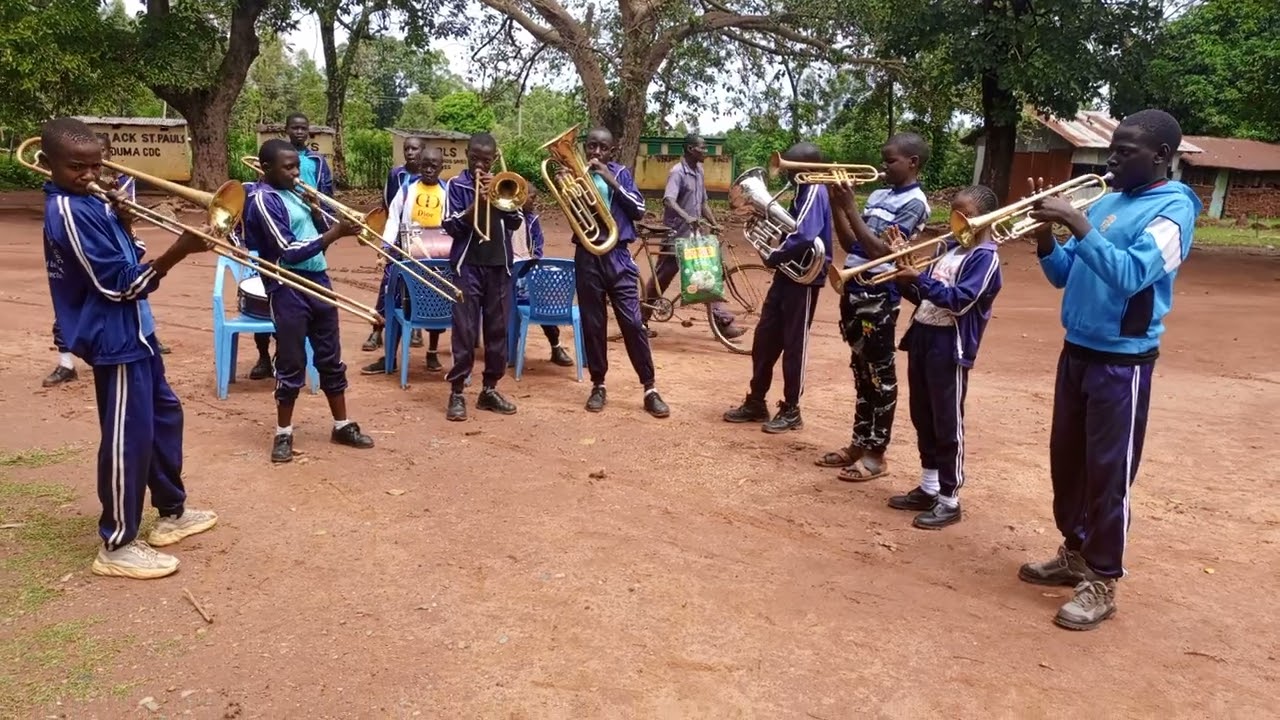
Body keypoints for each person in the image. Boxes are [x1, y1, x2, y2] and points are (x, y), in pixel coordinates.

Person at [1019, 108, 1200, 631]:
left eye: (1126, 152)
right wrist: (1046, 234)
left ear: (1162, 156)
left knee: (1109, 474)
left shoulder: (1174, 208)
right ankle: (1074, 551)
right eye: (1112, 149)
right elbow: (1063, 275)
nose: (1112, 159)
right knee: (1067, 463)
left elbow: (1130, 275)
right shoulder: (1104, 202)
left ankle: (1102, 578)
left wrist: (1074, 219)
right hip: (1076, 350)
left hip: (1123, 361)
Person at [41, 117, 218, 579]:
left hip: (137, 331)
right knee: (128, 439)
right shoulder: (69, 212)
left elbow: (126, 255)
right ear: (47, 165)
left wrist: (124, 220)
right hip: (113, 336)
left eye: (96, 166)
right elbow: (117, 286)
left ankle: (171, 512)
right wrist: (177, 252)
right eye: (77, 167)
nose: (90, 176)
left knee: (163, 418)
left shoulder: (91, 201)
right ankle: (116, 544)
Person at [241, 139, 376, 463]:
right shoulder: (262, 199)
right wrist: (334, 233)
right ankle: (283, 433)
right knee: (291, 362)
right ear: (266, 168)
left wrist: (319, 213)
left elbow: (319, 239)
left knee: (330, 356)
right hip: (287, 285)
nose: (295, 173)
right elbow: (287, 250)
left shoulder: (295, 193)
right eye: (287, 167)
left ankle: (341, 424)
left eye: (296, 167)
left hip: (318, 279)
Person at [882, 185, 1002, 530]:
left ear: (984, 219)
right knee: (923, 414)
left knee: (947, 421)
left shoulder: (985, 257)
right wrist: (902, 265)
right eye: (954, 212)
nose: (956, 221)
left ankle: (950, 499)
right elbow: (922, 296)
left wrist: (918, 276)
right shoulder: (947, 248)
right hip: (922, 335)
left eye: (964, 215)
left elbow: (961, 301)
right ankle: (929, 485)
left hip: (950, 344)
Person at [820, 132, 932, 483]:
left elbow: (883, 252)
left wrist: (851, 206)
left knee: (880, 376)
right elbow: (851, 242)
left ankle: (876, 453)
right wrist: (838, 206)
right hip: (853, 288)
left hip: (879, 294)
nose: (883, 167)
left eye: (890, 160)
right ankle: (858, 442)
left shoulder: (916, 202)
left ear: (912, 163)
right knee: (860, 371)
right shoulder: (880, 194)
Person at [559, 127, 669, 416]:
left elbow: (639, 210)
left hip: (618, 255)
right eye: (591, 146)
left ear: (611, 151)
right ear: (585, 148)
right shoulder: (575, 176)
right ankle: (598, 384)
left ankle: (650, 387)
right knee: (593, 324)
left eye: (602, 148)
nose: (596, 152)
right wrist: (564, 188)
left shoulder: (621, 174)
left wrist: (610, 180)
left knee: (633, 323)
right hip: (587, 254)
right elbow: (573, 216)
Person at [722, 142, 831, 432]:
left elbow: (806, 235)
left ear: (806, 169)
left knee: (794, 345)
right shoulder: (802, 192)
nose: (785, 174)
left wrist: (775, 255)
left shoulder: (815, 190)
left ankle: (792, 408)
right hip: (787, 277)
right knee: (765, 339)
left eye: (790, 169)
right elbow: (794, 230)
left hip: (803, 280)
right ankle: (756, 400)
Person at [440, 133, 522, 421]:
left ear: (494, 158)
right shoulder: (456, 184)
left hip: (499, 267)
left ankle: (490, 389)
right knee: (464, 330)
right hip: (468, 267)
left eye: (486, 161)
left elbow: (516, 221)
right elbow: (450, 226)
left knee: (497, 331)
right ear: (467, 154)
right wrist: (476, 206)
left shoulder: (503, 182)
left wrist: (498, 199)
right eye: (475, 158)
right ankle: (458, 392)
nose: (480, 165)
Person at [361, 144, 454, 374]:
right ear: (419, 167)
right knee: (394, 301)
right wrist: (385, 249)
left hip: (437, 258)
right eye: (425, 165)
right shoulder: (406, 189)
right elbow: (393, 219)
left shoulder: (447, 193)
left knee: (436, 302)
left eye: (434, 166)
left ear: (442, 168)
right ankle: (389, 357)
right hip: (404, 255)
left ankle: (432, 354)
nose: (429, 170)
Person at [643, 134, 743, 340]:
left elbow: (704, 203)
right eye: (702, 148)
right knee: (661, 279)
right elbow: (669, 200)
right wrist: (687, 216)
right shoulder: (677, 172)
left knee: (706, 276)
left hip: (695, 238)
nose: (705, 152)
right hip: (675, 236)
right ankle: (639, 320)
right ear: (690, 149)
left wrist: (714, 223)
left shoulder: (699, 171)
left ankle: (722, 323)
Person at [364, 135, 427, 353]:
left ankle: (417, 326)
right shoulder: (396, 174)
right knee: (388, 284)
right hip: (397, 238)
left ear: (423, 151)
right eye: (407, 149)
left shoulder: (429, 177)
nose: (410, 153)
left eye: (415, 149)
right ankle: (377, 329)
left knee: (419, 283)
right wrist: (388, 243)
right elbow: (391, 206)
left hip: (421, 241)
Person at [510, 186, 579, 370]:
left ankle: (555, 347)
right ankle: (509, 350)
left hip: (527, 270)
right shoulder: (505, 216)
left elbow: (538, 246)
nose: (535, 201)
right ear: (521, 198)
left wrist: (532, 260)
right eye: (532, 197)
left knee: (543, 304)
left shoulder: (533, 220)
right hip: (507, 272)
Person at [284, 112, 333, 197]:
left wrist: (326, 209)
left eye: (304, 129)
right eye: (295, 128)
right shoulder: (280, 157)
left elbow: (326, 188)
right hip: (288, 206)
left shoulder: (317, 160)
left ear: (308, 131)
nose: (299, 132)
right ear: (286, 130)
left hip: (313, 207)